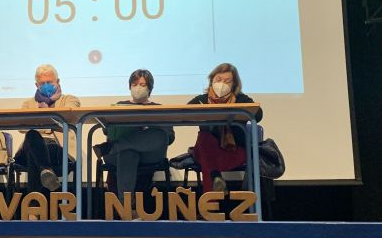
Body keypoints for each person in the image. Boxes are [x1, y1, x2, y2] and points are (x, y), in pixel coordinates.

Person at [94, 69, 174, 195]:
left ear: (149, 88)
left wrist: (146, 131)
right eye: (134, 84)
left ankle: (113, 146)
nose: (138, 88)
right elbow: (107, 130)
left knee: (161, 136)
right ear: (130, 87)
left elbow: (169, 137)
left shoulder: (158, 108)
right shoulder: (120, 106)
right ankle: (127, 204)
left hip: (149, 155)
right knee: (128, 151)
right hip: (118, 156)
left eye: (142, 85)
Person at [187, 63, 263, 192]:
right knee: (204, 138)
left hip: (233, 151)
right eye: (218, 79)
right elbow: (186, 113)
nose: (222, 84)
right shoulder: (202, 100)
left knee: (207, 162)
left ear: (234, 85)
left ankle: (212, 195)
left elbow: (258, 114)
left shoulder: (240, 99)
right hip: (206, 149)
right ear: (211, 80)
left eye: (227, 81)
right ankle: (215, 177)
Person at [15, 64, 80, 192]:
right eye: (42, 83)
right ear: (36, 85)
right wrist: (50, 121)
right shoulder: (28, 104)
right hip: (31, 145)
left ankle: (34, 201)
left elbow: (70, 118)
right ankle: (46, 171)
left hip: (58, 149)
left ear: (58, 82)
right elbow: (22, 127)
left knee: (34, 156)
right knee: (32, 136)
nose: (46, 85)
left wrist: (43, 115)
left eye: (49, 82)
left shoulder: (70, 100)